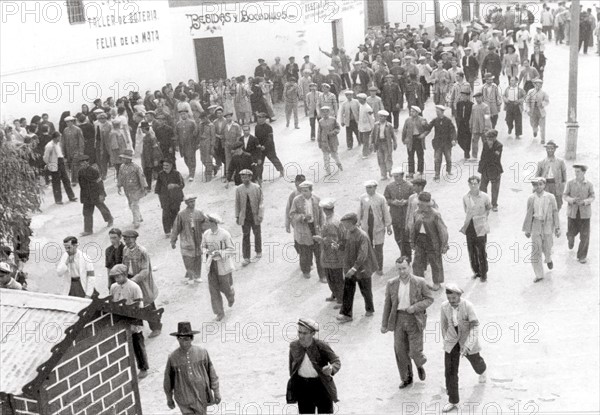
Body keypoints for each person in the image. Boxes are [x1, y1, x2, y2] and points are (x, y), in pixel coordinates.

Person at [381, 256, 433, 388]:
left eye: (404, 268)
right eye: (399, 269)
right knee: (400, 350)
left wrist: (415, 307)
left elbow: (429, 299)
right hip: (398, 318)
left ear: (409, 267)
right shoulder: (391, 283)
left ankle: (419, 363)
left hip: (414, 319)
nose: (402, 272)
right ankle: (406, 377)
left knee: (415, 351)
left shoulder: (419, 282)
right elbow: (387, 304)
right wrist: (384, 324)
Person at [440, 283, 487, 413]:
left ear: (459, 296)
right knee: (450, 370)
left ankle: (482, 371)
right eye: (449, 298)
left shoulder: (468, 306)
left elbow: (475, 326)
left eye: (453, 298)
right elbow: (443, 325)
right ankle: (453, 400)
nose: (451, 301)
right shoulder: (444, 306)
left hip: (467, 338)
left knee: (476, 361)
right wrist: (447, 340)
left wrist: (468, 345)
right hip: (451, 339)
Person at [164, 322, 221, 414]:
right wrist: (169, 397)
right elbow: (168, 379)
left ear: (192, 339)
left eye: (187, 338)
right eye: (181, 338)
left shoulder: (202, 352)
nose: (184, 341)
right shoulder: (173, 357)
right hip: (183, 396)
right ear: (178, 339)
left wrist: (216, 391)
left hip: (200, 394)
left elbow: (211, 373)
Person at [287, 318, 341, 414]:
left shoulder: (321, 345)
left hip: (320, 385)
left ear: (312, 333)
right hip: (303, 387)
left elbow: (336, 361)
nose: (301, 336)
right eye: (299, 332)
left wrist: (331, 368)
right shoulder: (294, 346)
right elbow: (292, 365)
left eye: (305, 333)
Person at [109, 264, 149, 379]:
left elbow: (140, 305)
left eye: (119, 276)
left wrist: (134, 320)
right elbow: (112, 302)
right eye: (115, 277)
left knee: (137, 345)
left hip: (134, 318)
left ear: (124, 275)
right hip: (120, 318)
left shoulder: (134, 287)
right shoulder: (113, 287)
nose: (117, 279)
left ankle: (143, 367)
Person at [336, 212, 377, 323]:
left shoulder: (362, 235)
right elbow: (345, 245)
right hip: (350, 268)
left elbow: (362, 255)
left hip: (362, 269)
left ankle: (370, 309)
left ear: (351, 223)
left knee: (366, 291)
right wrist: (338, 246)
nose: (343, 226)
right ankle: (347, 314)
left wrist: (354, 268)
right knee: (348, 290)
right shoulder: (347, 232)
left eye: (345, 224)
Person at [122, 229, 162, 336]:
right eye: (125, 239)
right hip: (130, 279)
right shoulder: (125, 250)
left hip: (142, 282)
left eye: (130, 239)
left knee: (148, 305)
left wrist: (134, 280)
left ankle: (156, 328)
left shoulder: (142, 251)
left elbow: (145, 270)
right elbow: (124, 265)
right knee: (134, 305)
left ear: (135, 239)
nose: (127, 241)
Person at [522, 178, 560, 283]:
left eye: (540, 184)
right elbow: (529, 214)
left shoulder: (550, 197)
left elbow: (555, 212)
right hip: (536, 225)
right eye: (535, 185)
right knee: (536, 250)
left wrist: (557, 227)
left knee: (547, 247)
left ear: (544, 185)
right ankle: (539, 275)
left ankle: (548, 258)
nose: (538, 186)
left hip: (548, 224)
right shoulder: (531, 198)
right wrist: (527, 230)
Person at [409, 192, 448, 291]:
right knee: (417, 262)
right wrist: (412, 241)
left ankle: (437, 282)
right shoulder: (416, 213)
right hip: (420, 240)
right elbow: (413, 228)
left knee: (435, 261)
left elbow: (443, 230)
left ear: (427, 204)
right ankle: (419, 282)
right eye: (419, 203)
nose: (418, 205)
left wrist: (444, 245)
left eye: (421, 204)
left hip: (432, 241)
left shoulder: (435, 214)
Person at [201, 214, 236, 321]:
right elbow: (202, 246)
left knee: (225, 287)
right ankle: (219, 312)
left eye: (208, 222)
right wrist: (206, 251)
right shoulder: (206, 234)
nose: (206, 224)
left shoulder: (224, 234)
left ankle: (230, 295)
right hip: (211, 265)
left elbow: (232, 249)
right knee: (213, 289)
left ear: (213, 223)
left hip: (223, 265)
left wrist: (219, 253)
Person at [289, 181, 323, 280]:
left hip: (315, 227)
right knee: (305, 252)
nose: (303, 193)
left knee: (319, 252)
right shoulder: (296, 200)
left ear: (311, 190)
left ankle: (322, 275)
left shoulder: (317, 199)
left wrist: (322, 227)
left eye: (306, 190)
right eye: (302, 191)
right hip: (303, 229)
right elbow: (292, 215)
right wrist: (303, 217)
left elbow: (321, 215)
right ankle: (306, 270)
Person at [461, 176, 492, 282]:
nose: (473, 186)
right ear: (468, 184)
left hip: (480, 226)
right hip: (470, 225)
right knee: (471, 250)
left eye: (475, 183)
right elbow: (466, 210)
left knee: (481, 250)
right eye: (471, 183)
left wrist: (483, 219)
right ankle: (476, 271)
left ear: (479, 184)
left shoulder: (485, 196)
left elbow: (488, 208)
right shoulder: (465, 197)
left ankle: (484, 273)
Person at [171, 195, 207, 284]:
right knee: (188, 258)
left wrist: (208, 235)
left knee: (198, 256)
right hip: (186, 238)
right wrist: (173, 240)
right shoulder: (181, 214)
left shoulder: (199, 212)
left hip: (197, 238)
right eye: (190, 202)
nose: (192, 203)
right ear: (186, 203)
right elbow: (176, 228)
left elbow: (205, 225)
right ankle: (191, 277)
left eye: (193, 201)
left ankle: (197, 276)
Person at [313, 198, 345, 299]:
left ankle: (340, 298)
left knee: (334, 276)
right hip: (332, 253)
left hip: (332, 254)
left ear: (325, 210)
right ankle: (335, 294)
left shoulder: (331, 222)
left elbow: (333, 239)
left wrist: (321, 239)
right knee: (332, 275)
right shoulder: (334, 218)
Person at [564, 165, 595, 264]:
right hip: (572, 213)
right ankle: (570, 239)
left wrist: (585, 201)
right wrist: (572, 200)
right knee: (571, 233)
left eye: (578, 172)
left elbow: (592, 196)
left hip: (585, 214)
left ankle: (582, 256)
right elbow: (565, 195)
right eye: (575, 171)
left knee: (585, 235)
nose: (576, 173)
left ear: (583, 173)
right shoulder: (570, 183)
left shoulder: (589, 184)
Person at [77, 154, 113, 236]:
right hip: (86, 196)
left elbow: (100, 182)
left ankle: (110, 219)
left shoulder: (94, 170)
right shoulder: (80, 172)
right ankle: (88, 230)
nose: (82, 164)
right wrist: (83, 197)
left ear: (87, 162)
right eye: (81, 163)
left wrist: (101, 194)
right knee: (86, 213)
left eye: (84, 162)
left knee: (102, 208)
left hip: (95, 194)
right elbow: (81, 186)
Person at [384, 169, 414, 261]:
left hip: (406, 214)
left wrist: (406, 201)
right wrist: (393, 202)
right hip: (395, 215)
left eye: (397, 176)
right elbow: (386, 198)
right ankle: (403, 253)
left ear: (402, 176)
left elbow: (414, 198)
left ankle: (407, 257)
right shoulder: (389, 186)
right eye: (394, 176)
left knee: (406, 237)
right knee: (397, 237)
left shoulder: (409, 186)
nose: (395, 178)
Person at [235, 169, 263, 266]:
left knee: (257, 233)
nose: (244, 179)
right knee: (246, 235)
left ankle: (258, 251)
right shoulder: (239, 189)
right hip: (245, 217)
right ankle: (246, 257)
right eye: (242, 177)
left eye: (246, 177)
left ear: (250, 177)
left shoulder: (256, 187)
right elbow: (237, 204)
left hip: (255, 215)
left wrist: (260, 215)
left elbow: (261, 202)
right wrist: (237, 216)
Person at [43, 131, 77, 204]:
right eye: (59, 137)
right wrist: (49, 164)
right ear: (55, 138)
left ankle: (71, 196)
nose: (60, 138)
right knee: (56, 182)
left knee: (66, 179)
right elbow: (46, 157)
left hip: (60, 161)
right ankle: (58, 200)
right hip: (54, 162)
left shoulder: (58, 144)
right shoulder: (49, 145)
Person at [425, 105, 456, 182]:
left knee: (448, 158)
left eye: (438, 112)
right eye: (436, 112)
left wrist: (453, 140)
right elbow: (428, 127)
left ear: (442, 112)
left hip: (447, 143)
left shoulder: (448, 121)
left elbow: (453, 131)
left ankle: (449, 171)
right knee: (437, 159)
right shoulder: (435, 120)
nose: (437, 113)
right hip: (438, 143)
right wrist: (424, 123)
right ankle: (437, 174)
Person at [117, 150, 147, 228]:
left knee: (134, 205)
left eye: (124, 158)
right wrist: (119, 185)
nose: (122, 160)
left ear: (129, 159)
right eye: (122, 158)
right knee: (131, 204)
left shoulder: (136, 167)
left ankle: (136, 221)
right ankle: (139, 216)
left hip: (135, 189)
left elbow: (141, 177)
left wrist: (144, 187)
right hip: (127, 189)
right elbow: (120, 176)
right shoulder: (122, 167)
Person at [155, 159, 185, 236]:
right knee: (165, 214)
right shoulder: (160, 174)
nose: (165, 167)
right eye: (164, 166)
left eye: (167, 165)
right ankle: (167, 231)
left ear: (171, 166)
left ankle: (174, 227)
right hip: (165, 198)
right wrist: (161, 198)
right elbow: (157, 188)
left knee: (175, 212)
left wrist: (174, 185)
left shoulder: (176, 173)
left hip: (175, 198)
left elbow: (182, 185)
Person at [536, 141, 567, 211]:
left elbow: (564, 175)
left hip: (556, 185)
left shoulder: (560, 162)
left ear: (555, 149)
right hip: (545, 185)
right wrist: (537, 188)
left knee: (557, 204)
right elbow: (537, 177)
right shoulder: (541, 162)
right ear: (546, 149)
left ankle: (555, 217)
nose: (550, 150)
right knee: (545, 203)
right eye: (548, 148)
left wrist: (562, 186)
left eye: (552, 148)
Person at [254, 112, 284, 183]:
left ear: (264, 119)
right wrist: (258, 145)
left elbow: (269, 139)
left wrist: (264, 146)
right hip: (260, 148)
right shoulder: (256, 127)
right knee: (259, 162)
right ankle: (259, 177)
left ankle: (281, 170)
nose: (259, 119)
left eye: (261, 118)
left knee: (273, 159)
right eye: (258, 118)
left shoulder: (269, 127)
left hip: (269, 147)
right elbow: (256, 138)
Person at [401, 106, 428, 177]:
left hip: (418, 139)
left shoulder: (422, 119)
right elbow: (404, 130)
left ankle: (420, 170)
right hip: (410, 139)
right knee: (410, 156)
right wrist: (404, 139)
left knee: (420, 155)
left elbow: (427, 129)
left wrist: (424, 134)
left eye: (413, 111)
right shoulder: (407, 120)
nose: (411, 113)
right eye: (411, 111)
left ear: (417, 112)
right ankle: (411, 172)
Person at [316, 107, 343, 177]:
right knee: (326, 157)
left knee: (334, 155)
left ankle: (339, 164)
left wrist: (333, 132)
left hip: (333, 140)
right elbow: (319, 132)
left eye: (326, 112)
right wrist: (319, 141)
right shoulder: (320, 121)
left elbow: (338, 128)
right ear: (321, 113)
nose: (325, 114)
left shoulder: (333, 120)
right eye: (323, 112)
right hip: (324, 141)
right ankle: (328, 172)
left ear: (329, 112)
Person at [370, 110, 397, 180]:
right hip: (379, 143)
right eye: (380, 116)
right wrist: (371, 143)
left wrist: (395, 143)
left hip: (387, 144)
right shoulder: (376, 125)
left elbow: (393, 135)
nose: (381, 118)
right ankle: (383, 174)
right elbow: (372, 135)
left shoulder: (389, 125)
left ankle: (389, 170)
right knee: (380, 159)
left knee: (388, 158)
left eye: (383, 116)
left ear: (385, 118)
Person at [175, 110, 198, 182]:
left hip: (190, 144)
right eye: (181, 114)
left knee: (191, 158)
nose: (183, 116)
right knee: (186, 159)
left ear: (187, 114)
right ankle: (190, 169)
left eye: (184, 114)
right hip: (182, 144)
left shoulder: (192, 122)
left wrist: (196, 143)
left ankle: (192, 174)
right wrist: (177, 144)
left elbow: (196, 133)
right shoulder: (178, 124)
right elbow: (176, 135)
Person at [140, 121, 163, 190]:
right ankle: (149, 187)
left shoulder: (151, 137)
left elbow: (155, 149)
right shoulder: (146, 137)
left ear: (144, 128)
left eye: (142, 128)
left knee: (157, 171)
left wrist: (156, 159)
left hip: (152, 158)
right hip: (147, 158)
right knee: (148, 172)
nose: (141, 130)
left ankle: (161, 185)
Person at [525, 78, 549, 143]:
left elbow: (547, 101)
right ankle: (535, 130)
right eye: (536, 84)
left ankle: (542, 139)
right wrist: (527, 109)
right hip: (533, 111)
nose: (538, 86)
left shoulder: (543, 93)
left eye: (539, 85)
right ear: (534, 85)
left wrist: (543, 104)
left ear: (541, 86)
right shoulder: (530, 92)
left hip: (541, 111)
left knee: (542, 126)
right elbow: (527, 101)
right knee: (533, 124)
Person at [62, 116, 84, 186]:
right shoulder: (65, 130)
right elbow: (63, 141)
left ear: (72, 122)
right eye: (66, 122)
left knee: (74, 165)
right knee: (72, 165)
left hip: (76, 150)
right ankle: (78, 178)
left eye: (69, 122)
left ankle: (74, 181)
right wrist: (63, 151)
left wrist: (81, 151)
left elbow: (81, 140)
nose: (68, 123)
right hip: (68, 151)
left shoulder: (77, 129)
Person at [469, 92, 492, 161]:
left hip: (483, 128)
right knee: (474, 142)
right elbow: (472, 117)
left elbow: (487, 117)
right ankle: (474, 156)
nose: (477, 99)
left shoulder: (485, 107)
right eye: (476, 98)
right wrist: (470, 125)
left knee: (485, 142)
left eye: (478, 97)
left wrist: (487, 127)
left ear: (481, 97)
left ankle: (487, 156)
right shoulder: (474, 106)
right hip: (475, 127)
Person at [356, 93, 374, 158]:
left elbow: (371, 118)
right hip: (361, 127)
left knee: (365, 141)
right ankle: (370, 148)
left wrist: (372, 128)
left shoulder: (368, 108)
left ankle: (365, 153)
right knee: (363, 140)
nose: (359, 100)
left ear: (364, 99)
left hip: (367, 127)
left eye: (360, 99)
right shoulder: (361, 106)